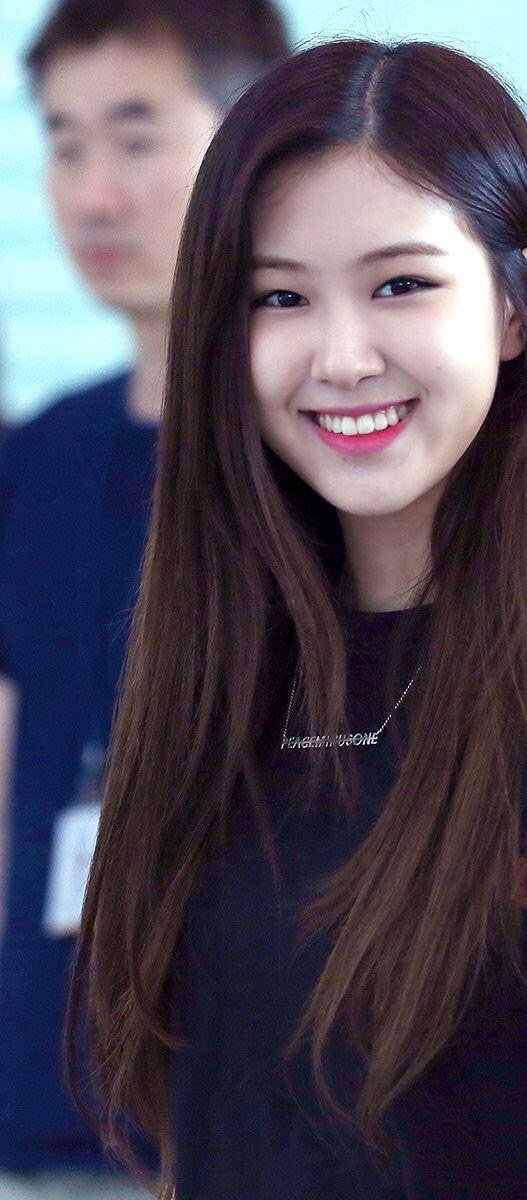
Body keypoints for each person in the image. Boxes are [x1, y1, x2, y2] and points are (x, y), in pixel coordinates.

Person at [62, 36, 527, 1200]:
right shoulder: (225, 660)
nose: (342, 356)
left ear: (515, 303)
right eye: (280, 297)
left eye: (400, 284)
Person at [0, 1, 290, 1195]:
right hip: (37, 1115)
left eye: (134, 136)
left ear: (249, 144)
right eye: (64, 144)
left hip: (252, 1132)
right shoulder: (39, 455)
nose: (94, 194)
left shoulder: (321, 451)